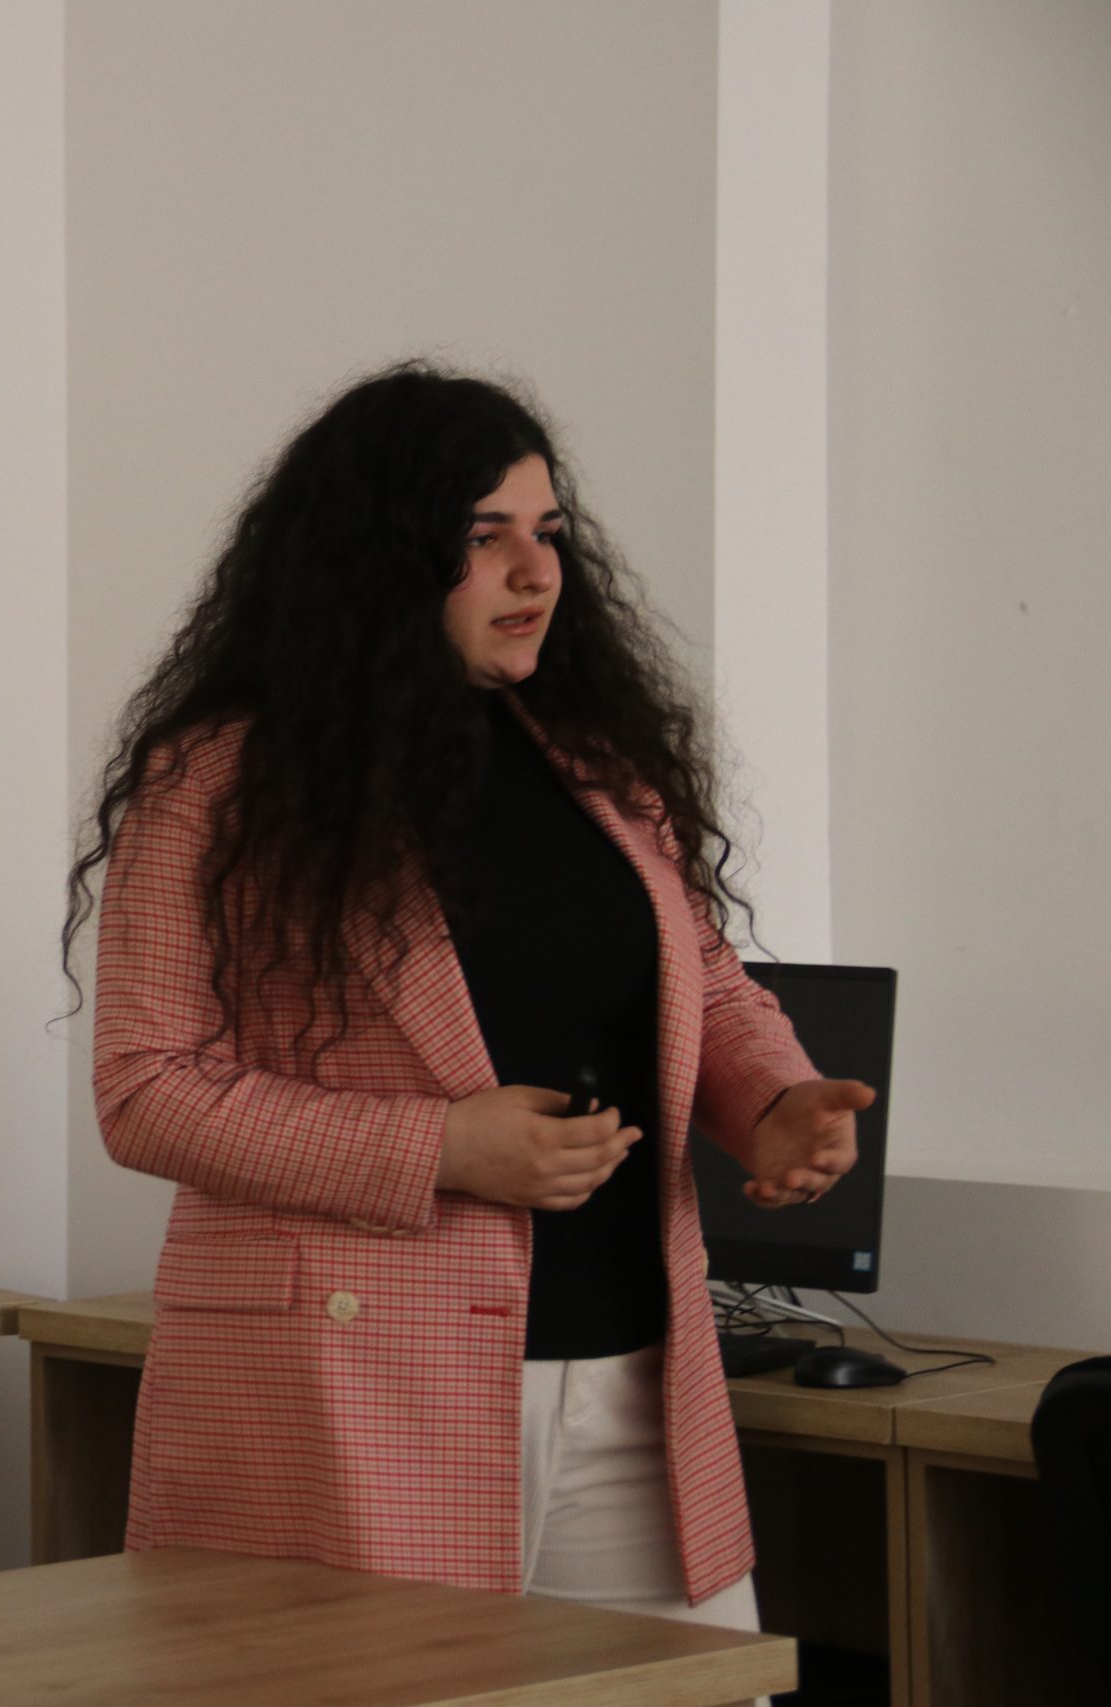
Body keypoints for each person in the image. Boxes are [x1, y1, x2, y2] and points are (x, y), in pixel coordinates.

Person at [67, 365, 872, 1637]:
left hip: (635, 1378)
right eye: (483, 537)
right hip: (350, 1386)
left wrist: (770, 1104)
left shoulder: (597, 763)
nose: (535, 571)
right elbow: (144, 1089)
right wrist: (439, 1148)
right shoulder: (215, 781)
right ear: (378, 560)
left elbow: (702, 980)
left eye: (547, 532)